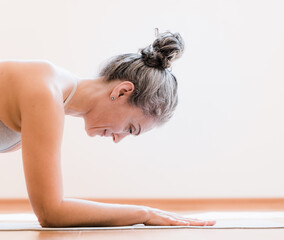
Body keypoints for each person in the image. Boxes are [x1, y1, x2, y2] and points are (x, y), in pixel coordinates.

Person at [0, 31, 216, 227]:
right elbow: (51, 212)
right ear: (122, 92)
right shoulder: (45, 91)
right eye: (130, 129)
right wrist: (144, 214)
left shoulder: (52, 93)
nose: (117, 139)